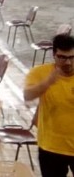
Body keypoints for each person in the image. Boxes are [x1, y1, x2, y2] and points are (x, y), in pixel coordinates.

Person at [23, 34, 74, 175]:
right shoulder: (40, 72)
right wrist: (47, 82)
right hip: (51, 148)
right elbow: (27, 95)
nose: (68, 62)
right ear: (53, 55)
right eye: (62, 57)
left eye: (72, 57)